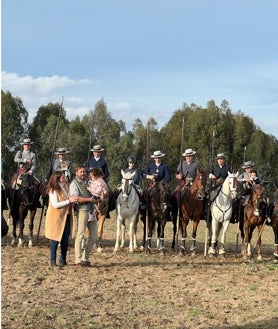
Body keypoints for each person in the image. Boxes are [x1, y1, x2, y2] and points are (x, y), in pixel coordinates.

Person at [45, 170, 79, 267]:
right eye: (63, 177)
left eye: (65, 177)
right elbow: (56, 205)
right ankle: (52, 261)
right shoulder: (52, 190)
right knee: (55, 239)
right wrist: (69, 201)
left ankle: (63, 259)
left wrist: (73, 200)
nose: (65, 178)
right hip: (56, 217)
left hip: (66, 216)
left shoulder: (66, 186)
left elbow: (69, 198)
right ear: (57, 179)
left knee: (65, 239)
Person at [69, 164, 99, 267]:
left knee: (94, 236)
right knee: (80, 235)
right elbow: (76, 199)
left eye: (84, 172)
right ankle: (78, 259)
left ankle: (85, 258)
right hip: (82, 210)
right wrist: (89, 200)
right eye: (81, 172)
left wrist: (96, 199)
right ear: (76, 173)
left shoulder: (89, 182)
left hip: (91, 211)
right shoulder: (73, 184)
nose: (83, 173)